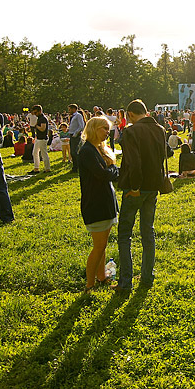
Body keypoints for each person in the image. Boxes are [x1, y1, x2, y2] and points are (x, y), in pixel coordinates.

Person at [115, 99, 165, 291]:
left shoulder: (131, 131)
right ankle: (147, 277)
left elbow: (134, 163)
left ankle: (125, 282)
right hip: (153, 186)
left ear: (130, 114)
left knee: (125, 234)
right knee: (148, 232)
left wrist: (134, 186)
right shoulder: (160, 129)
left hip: (136, 187)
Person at [77, 116, 119, 292]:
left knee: (103, 245)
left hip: (105, 202)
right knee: (98, 246)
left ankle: (101, 277)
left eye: (108, 130)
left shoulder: (98, 149)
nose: (106, 133)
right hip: (96, 203)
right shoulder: (87, 151)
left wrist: (112, 170)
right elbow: (103, 174)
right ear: (93, 128)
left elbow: (110, 172)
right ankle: (89, 284)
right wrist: (112, 170)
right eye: (104, 129)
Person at [29, 105, 51, 174]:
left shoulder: (43, 118)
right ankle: (36, 168)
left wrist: (36, 126)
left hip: (42, 139)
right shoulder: (39, 118)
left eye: (36, 112)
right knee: (35, 153)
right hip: (38, 138)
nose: (35, 114)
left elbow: (42, 129)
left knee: (44, 154)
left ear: (40, 111)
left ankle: (47, 169)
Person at [67, 104, 85, 172]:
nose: (69, 111)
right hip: (71, 135)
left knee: (75, 152)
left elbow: (81, 126)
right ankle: (75, 167)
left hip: (75, 136)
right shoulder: (73, 116)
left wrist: (75, 133)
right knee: (72, 152)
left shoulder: (78, 116)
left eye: (70, 109)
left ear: (74, 109)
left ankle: (77, 167)